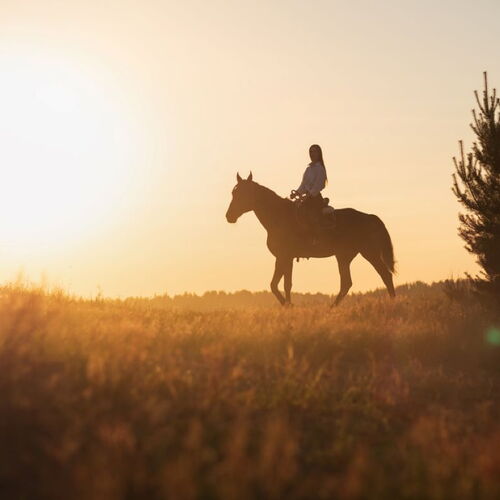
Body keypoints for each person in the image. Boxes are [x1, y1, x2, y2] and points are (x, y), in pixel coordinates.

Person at [290, 144, 328, 244]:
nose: (312, 154)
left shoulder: (320, 169)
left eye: (314, 151)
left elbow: (319, 185)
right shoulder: (308, 169)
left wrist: (309, 195)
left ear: (319, 153)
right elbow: (303, 184)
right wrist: (297, 192)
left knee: (311, 216)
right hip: (306, 198)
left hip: (315, 199)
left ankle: (315, 238)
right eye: (310, 152)